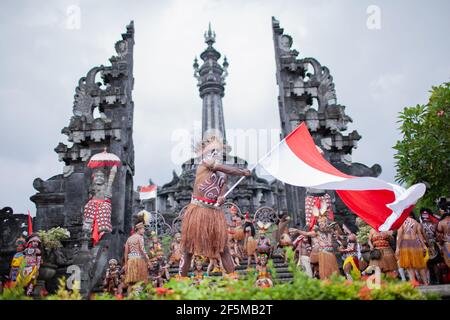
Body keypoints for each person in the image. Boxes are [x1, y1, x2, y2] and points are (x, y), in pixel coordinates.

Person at [180, 134, 251, 276]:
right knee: (189, 248)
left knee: (223, 247)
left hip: (214, 212)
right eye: (212, 150)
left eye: (218, 150)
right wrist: (242, 172)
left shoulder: (223, 174)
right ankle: (181, 280)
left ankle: (233, 280)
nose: (215, 153)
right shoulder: (205, 162)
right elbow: (226, 169)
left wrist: (221, 197)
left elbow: (222, 190)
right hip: (198, 210)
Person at [83, 166, 117, 244]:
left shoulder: (107, 186)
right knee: (88, 206)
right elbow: (89, 196)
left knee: (105, 208)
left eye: (101, 176)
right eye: (97, 176)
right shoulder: (92, 186)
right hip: (93, 202)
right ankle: (88, 227)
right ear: (93, 177)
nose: (99, 178)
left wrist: (108, 193)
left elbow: (109, 196)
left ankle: (103, 229)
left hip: (104, 202)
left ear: (105, 178)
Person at [396, 213, 429, 285]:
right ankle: (426, 283)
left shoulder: (401, 222)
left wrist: (397, 248)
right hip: (415, 244)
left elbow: (399, 236)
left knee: (409, 266)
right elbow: (420, 235)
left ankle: (414, 283)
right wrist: (423, 246)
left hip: (405, 244)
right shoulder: (415, 222)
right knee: (420, 265)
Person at [124, 222, 150, 293]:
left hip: (130, 261)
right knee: (140, 279)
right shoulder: (140, 237)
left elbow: (126, 252)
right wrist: (148, 260)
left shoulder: (129, 238)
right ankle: (138, 295)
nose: (144, 231)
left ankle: (129, 297)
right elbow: (142, 250)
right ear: (139, 229)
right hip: (138, 260)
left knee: (131, 282)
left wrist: (126, 263)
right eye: (143, 229)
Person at [420, 208, 441, 284]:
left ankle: (429, 281)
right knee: (435, 264)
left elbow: (421, 236)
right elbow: (438, 235)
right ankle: (438, 280)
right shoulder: (434, 224)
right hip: (434, 245)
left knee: (427, 264)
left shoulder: (421, 225)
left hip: (426, 246)